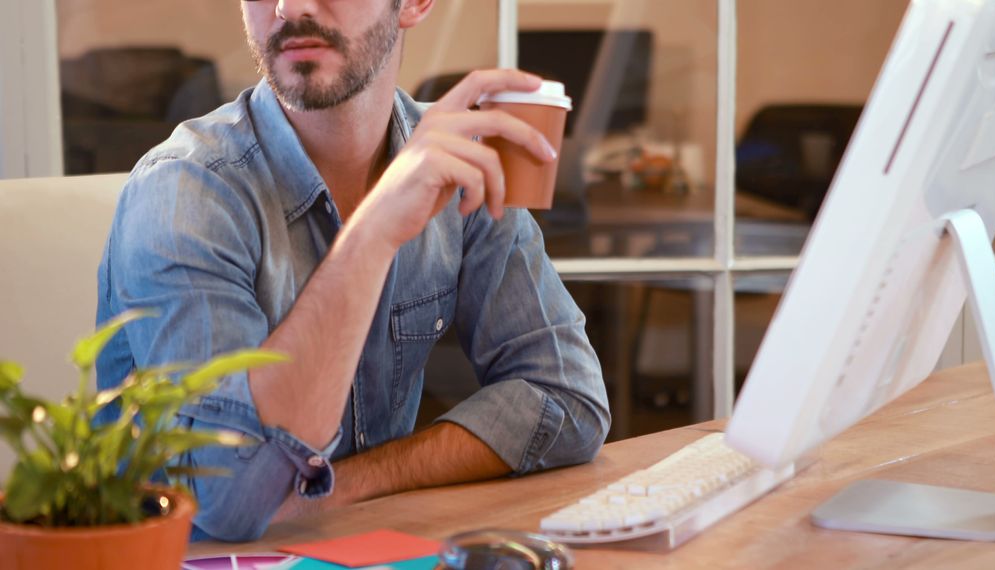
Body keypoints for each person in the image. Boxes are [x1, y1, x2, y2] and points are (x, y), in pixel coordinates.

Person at [94, 0, 610, 542]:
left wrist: (348, 485)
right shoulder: (184, 193)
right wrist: (374, 233)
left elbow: (567, 397)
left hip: (365, 545)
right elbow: (227, 502)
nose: (288, 7)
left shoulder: (453, 160)